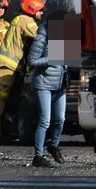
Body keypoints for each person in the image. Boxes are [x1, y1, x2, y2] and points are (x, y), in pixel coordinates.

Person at [0, 0, 45, 139]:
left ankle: (4, 130)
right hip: (7, 68)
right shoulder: (26, 21)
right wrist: (66, 38)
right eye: (40, 10)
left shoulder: (19, 20)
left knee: (6, 100)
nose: (42, 13)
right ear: (32, 9)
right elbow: (41, 37)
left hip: (10, 68)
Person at [26, 11, 68, 167]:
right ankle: (38, 156)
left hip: (59, 84)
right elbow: (32, 61)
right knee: (45, 121)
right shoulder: (42, 37)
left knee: (60, 119)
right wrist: (51, 59)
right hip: (43, 84)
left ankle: (54, 146)